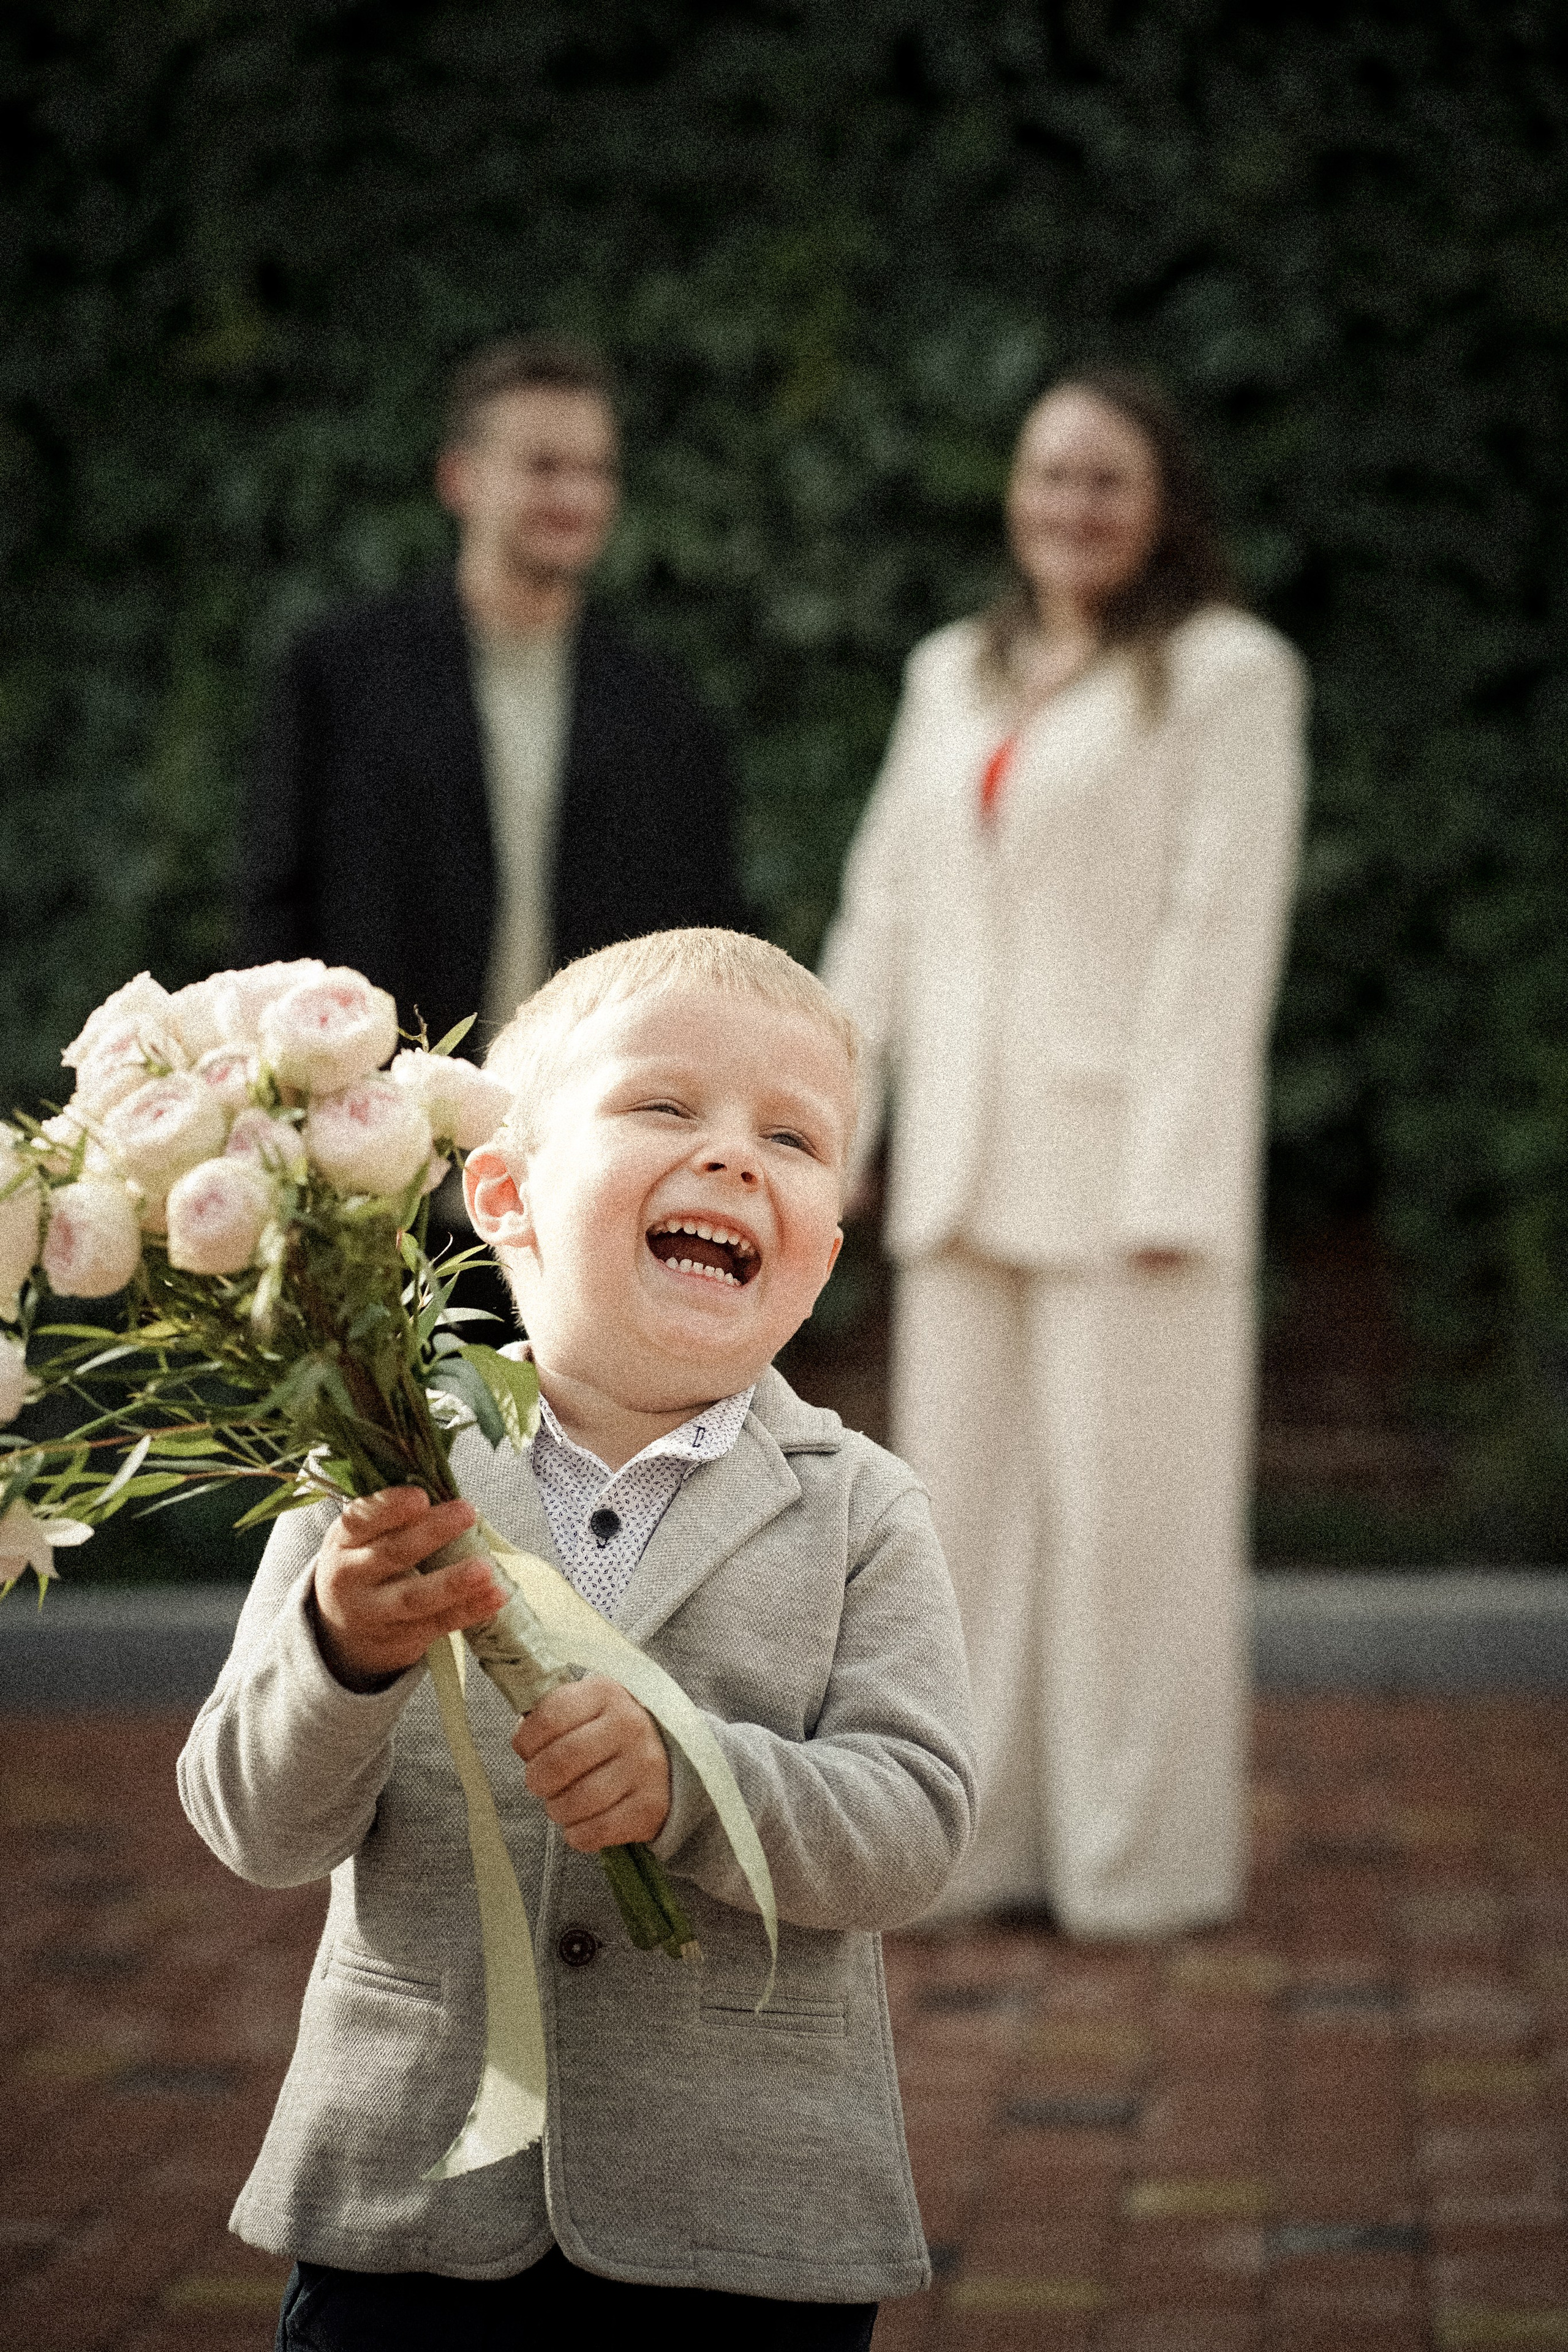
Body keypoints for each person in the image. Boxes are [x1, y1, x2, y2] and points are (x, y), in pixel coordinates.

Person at [176, 929, 976, 2350]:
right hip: (409, 2211)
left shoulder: (859, 1506)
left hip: (740, 2232)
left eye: (789, 1135)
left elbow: (912, 1822)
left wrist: (694, 1783)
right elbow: (256, 1822)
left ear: (822, 1252)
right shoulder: (382, 1470)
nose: (731, 1156)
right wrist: (339, 1648)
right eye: (665, 1108)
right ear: (503, 1191)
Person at [820, 372, 1306, 1939]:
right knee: (954, 1533)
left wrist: (1173, 1179)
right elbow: (881, 907)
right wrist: (823, 1127)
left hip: (1129, 1189)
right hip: (958, 1168)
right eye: (1047, 475)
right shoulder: (946, 670)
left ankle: (1137, 1866)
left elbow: (1214, 933)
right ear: (1010, 491)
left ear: (1162, 501)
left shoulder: (1228, 676)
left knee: (1131, 1540)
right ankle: (975, 1852)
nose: (1071, 507)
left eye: (1106, 479)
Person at [239, 337, 746, 1057]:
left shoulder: (664, 704)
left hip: (587, 1119)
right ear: (459, 478)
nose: (574, 496)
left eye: (596, 470)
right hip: (379, 1114)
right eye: (543, 467)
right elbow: (276, 910)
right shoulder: (344, 675)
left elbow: (705, 941)